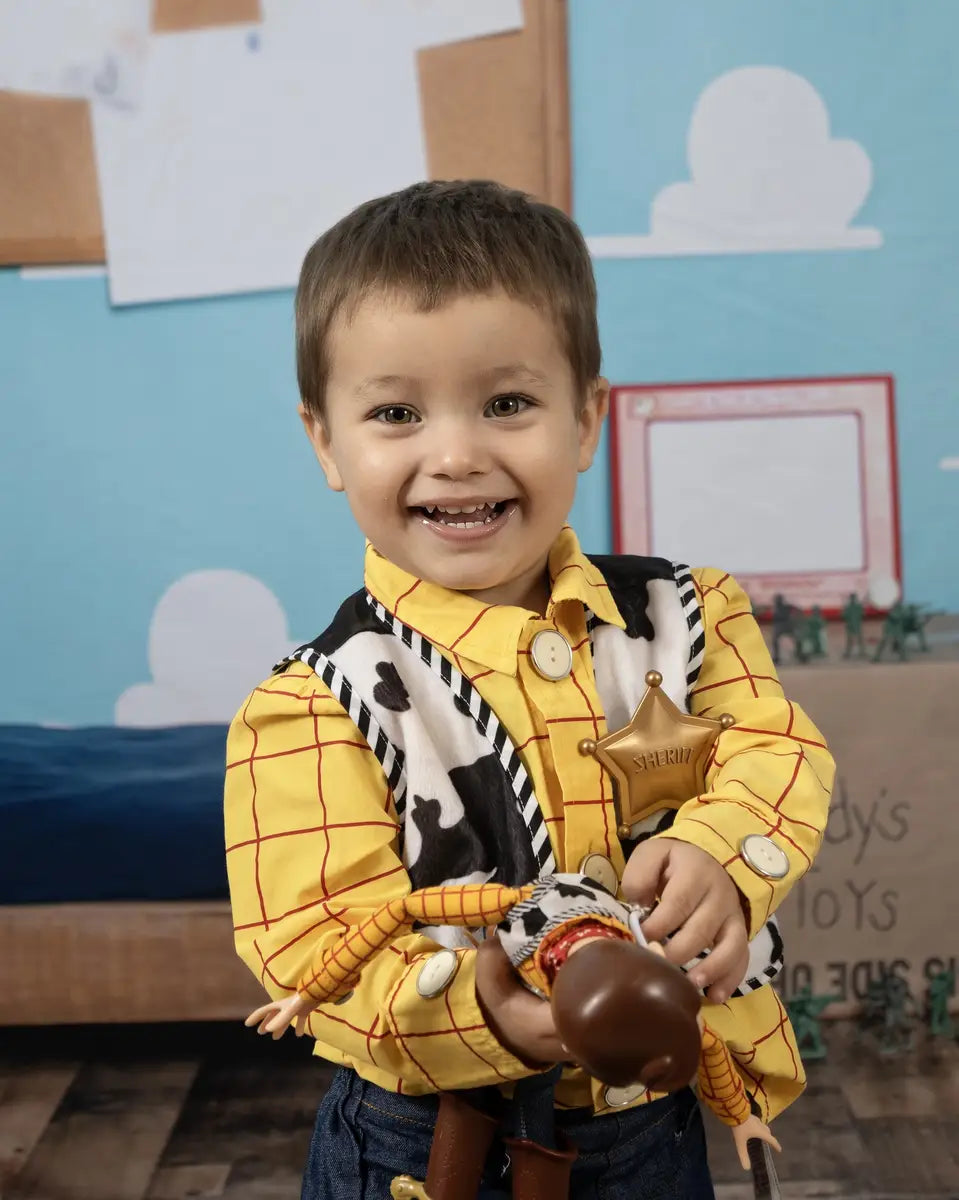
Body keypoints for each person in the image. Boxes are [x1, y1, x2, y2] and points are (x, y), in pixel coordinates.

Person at [224, 179, 835, 1200]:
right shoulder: (310, 707)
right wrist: (483, 1015)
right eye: (395, 412)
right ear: (326, 443)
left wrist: (720, 858)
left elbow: (774, 749)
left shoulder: (690, 617)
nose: (457, 454)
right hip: (424, 1145)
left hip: (650, 1123)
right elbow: (314, 951)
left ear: (586, 420)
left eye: (506, 404)